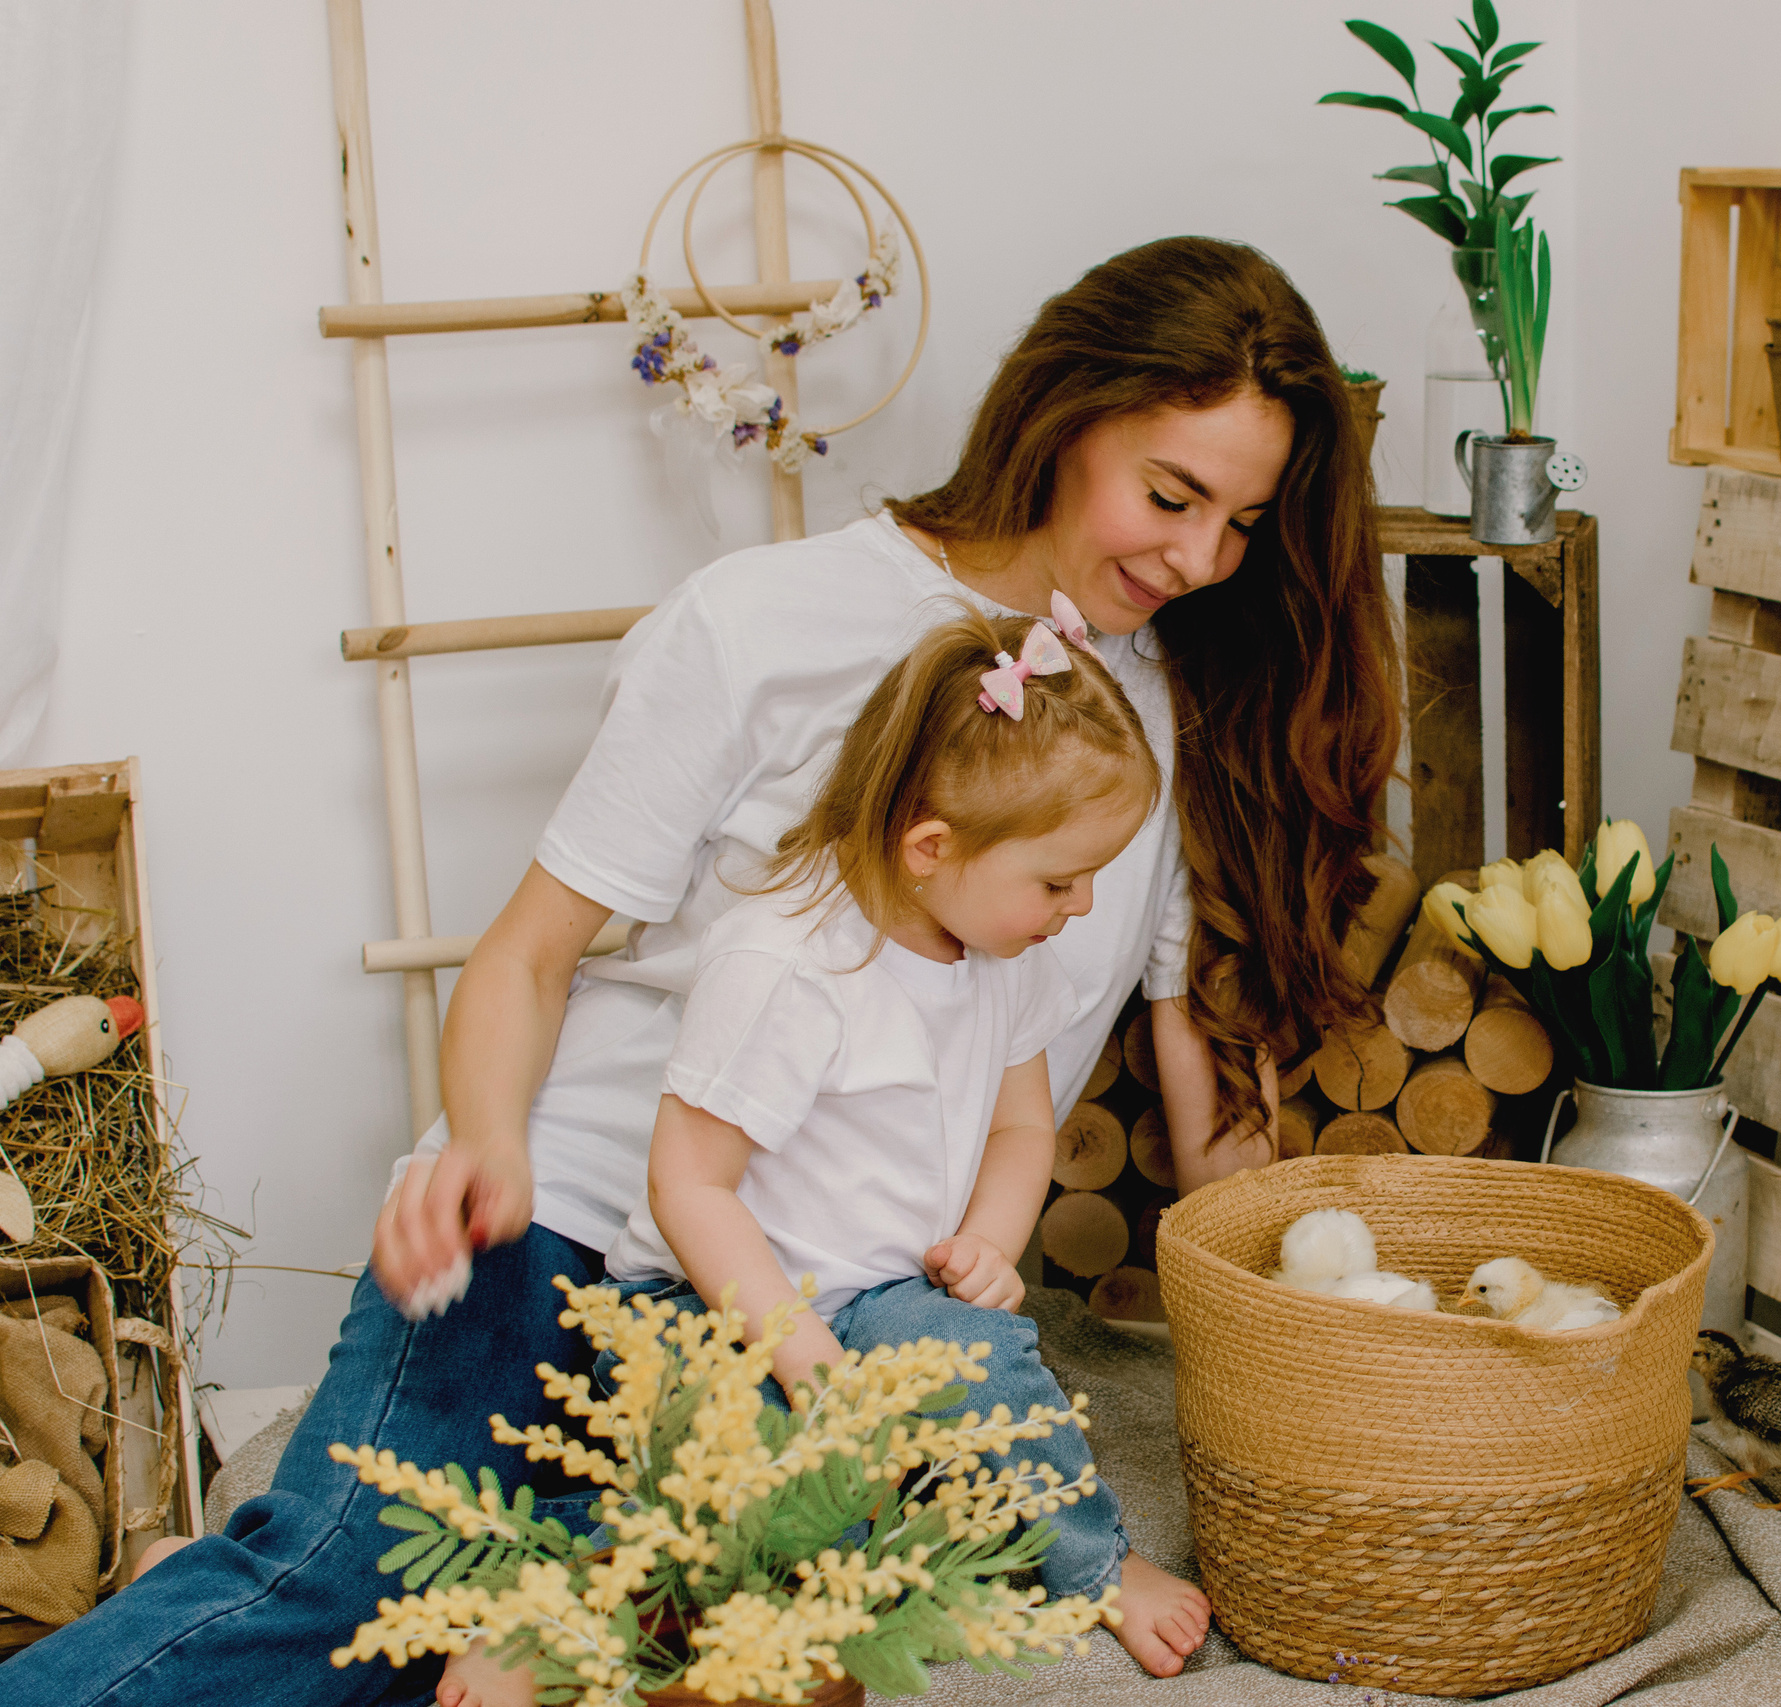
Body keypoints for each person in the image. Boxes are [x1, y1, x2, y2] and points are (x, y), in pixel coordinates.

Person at [2, 234, 1397, 1704]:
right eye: (1171, 496)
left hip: (826, 1331)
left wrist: (1312, 1331)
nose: (1200, 558)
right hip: (584, 1226)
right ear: (1063, 419)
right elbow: (529, 954)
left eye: (1243, 523)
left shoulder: (1155, 722)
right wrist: (484, 1148)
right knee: (344, 1598)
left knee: (647, 1652)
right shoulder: (762, 622)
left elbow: (1187, 1048)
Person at [437, 605, 1169, 1707]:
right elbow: (689, 1185)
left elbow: (1022, 1126)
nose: (1085, 906)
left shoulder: (1000, 946)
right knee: (754, 1487)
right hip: (716, 1301)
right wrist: (797, 1350)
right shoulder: (788, 966)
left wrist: (987, 1241)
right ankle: (551, 1598)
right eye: (1062, 881)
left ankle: (1093, 1563)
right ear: (931, 849)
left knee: (992, 1369)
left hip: (879, 1290)